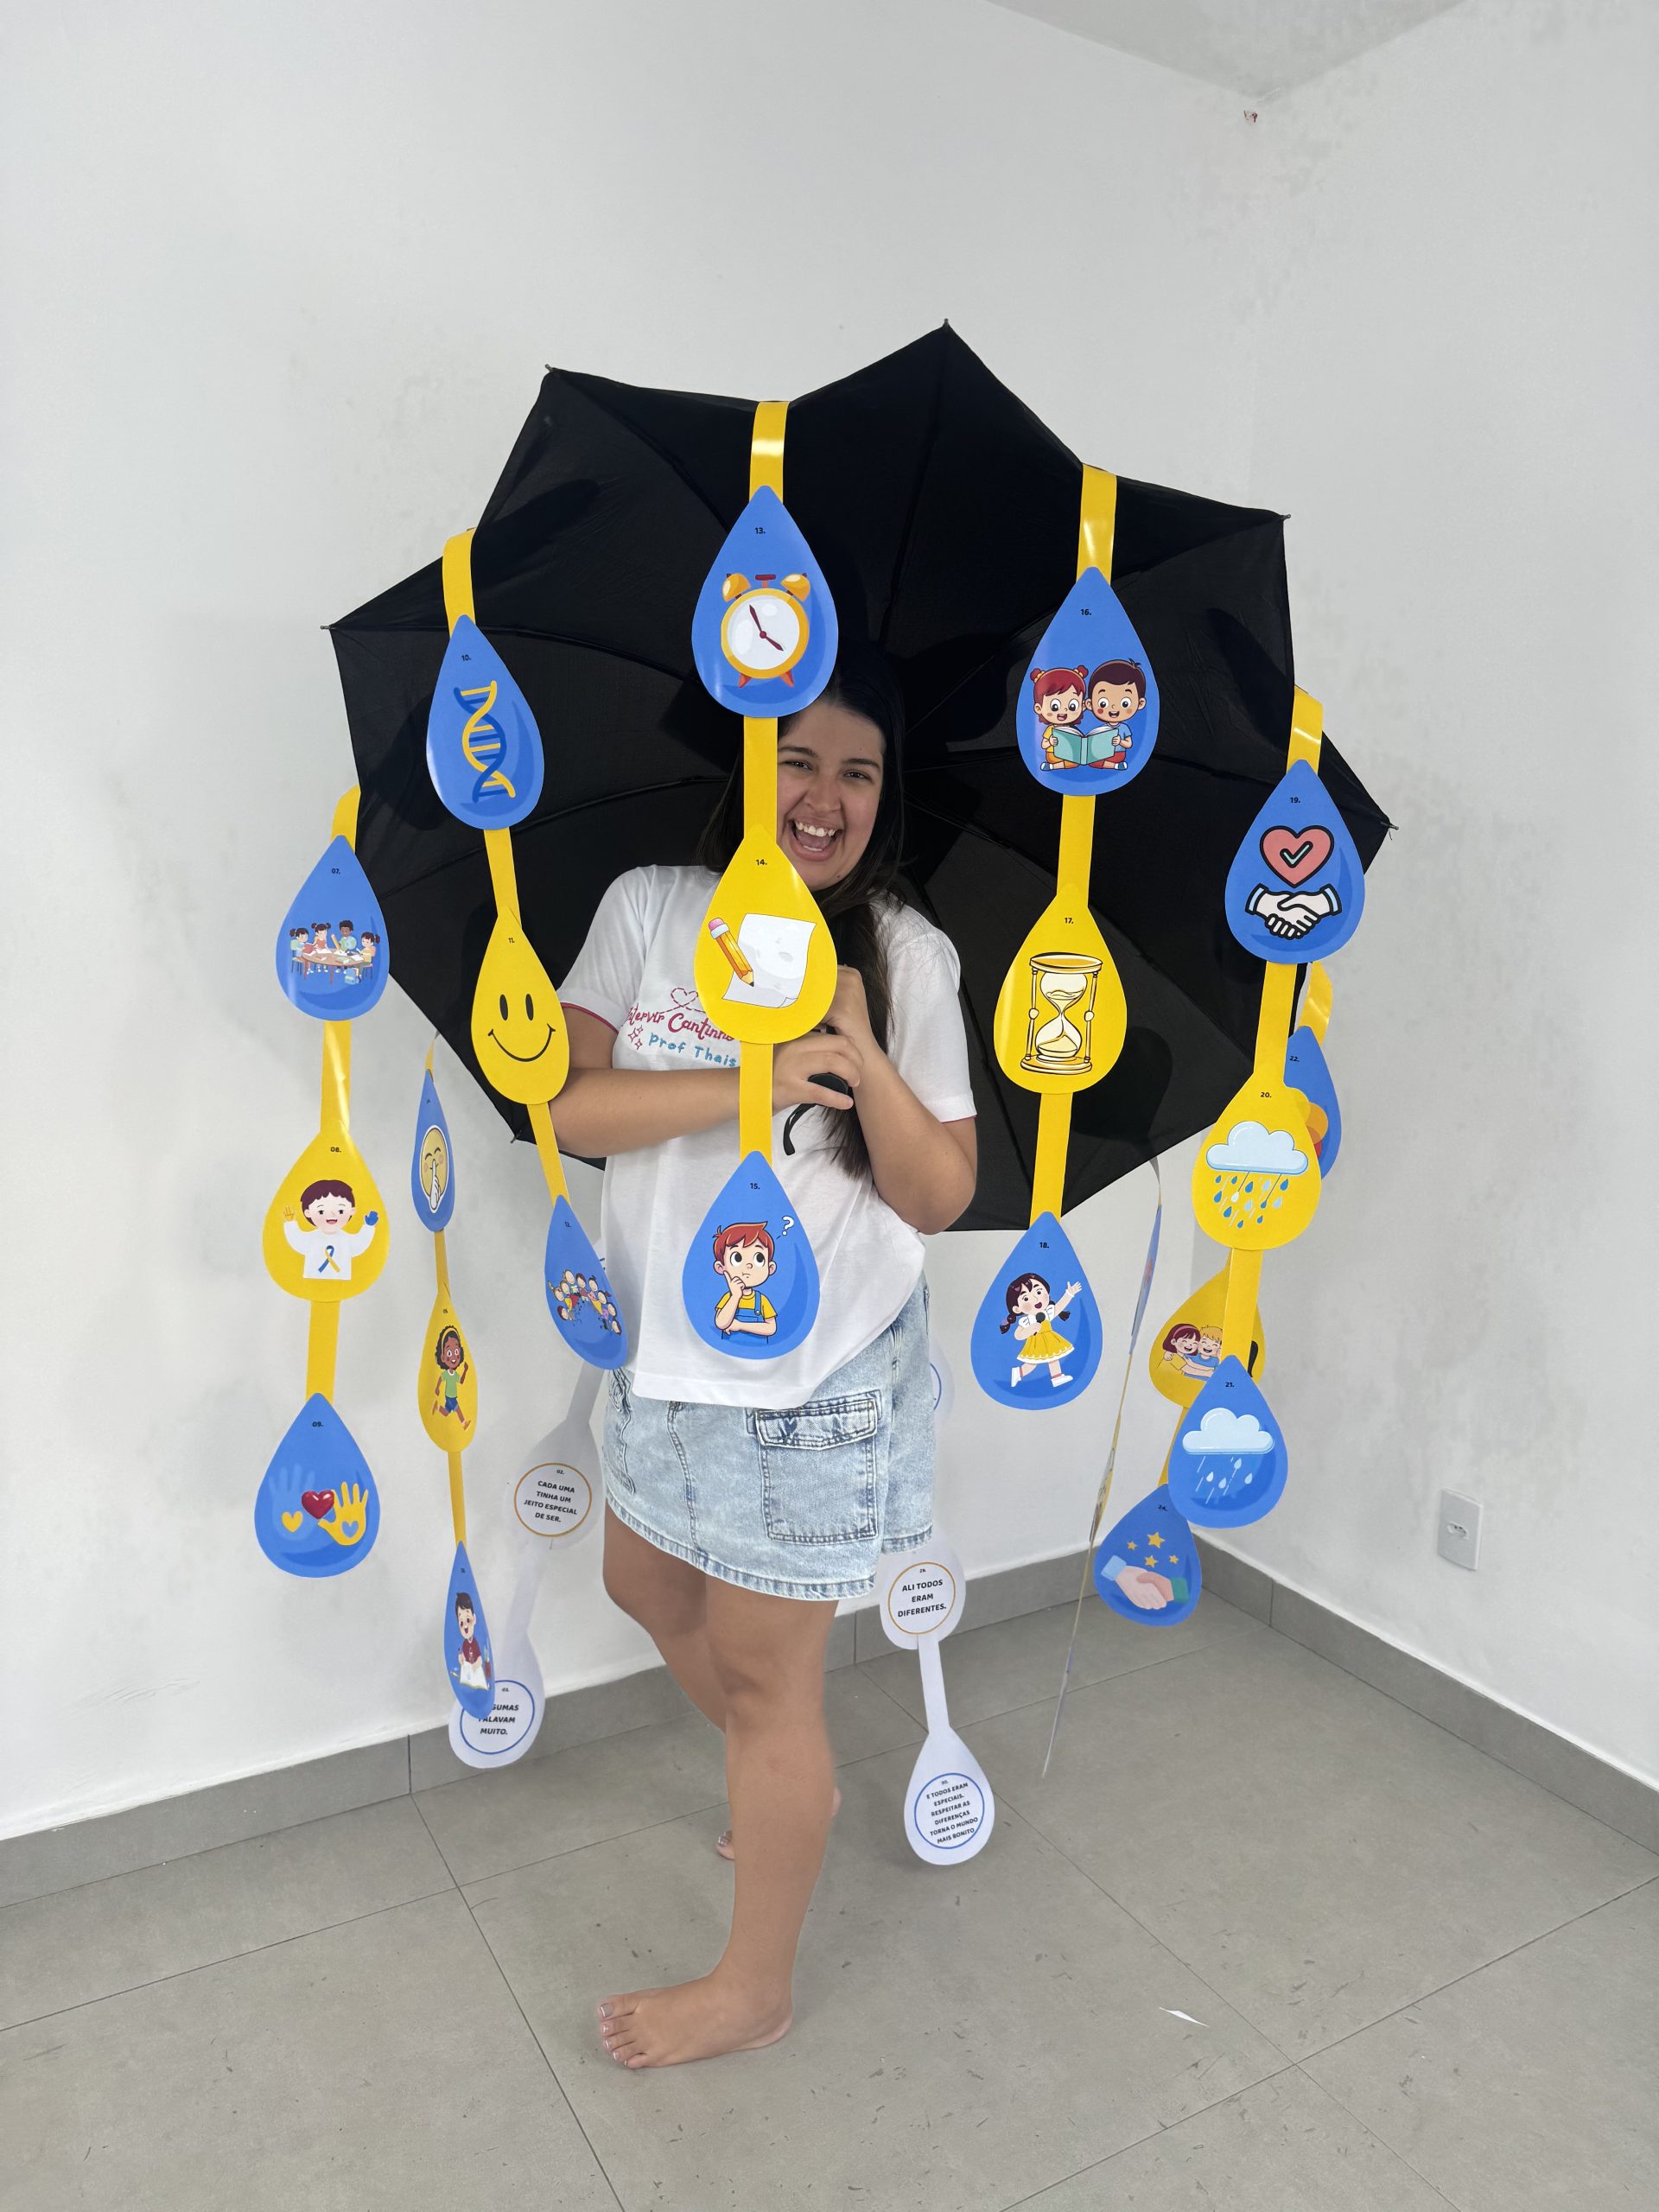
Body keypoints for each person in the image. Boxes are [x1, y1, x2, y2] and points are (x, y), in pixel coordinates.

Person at [552, 650, 976, 2070]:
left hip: (814, 1387)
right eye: (798, 760)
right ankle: (779, 1775)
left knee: (765, 1679)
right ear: (747, 766)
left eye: (858, 771)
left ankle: (755, 1985)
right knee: (639, 1583)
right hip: (658, 1354)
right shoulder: (650, 908)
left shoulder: (906, 954)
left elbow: (938, 1195)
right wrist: (754, 1076)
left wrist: (858, 1047)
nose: (825, 797)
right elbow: (570, 1109)